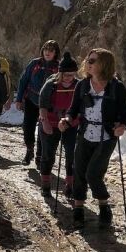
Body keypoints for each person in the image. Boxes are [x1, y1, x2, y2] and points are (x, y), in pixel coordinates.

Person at [59, 48, 126, 228]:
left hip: (106, 137)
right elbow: (73, 110)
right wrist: (66, 120)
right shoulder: (82, 85)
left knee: (93, 173)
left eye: (93, 60)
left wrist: (121, 127)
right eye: (88, 60)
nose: (88, 63)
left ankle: (104, 206)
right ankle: (78, 209)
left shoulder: (116, 87)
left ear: (104, 64)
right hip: (85, 134)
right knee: (78, 171)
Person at [38, 52, 80, 197]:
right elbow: (42, 105)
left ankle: (70, 184)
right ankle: (45, 184)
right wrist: (45, 123)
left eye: (72, 74)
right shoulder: (51, 84)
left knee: (71, 155)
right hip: (50, 121)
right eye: (66, 74)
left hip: (70, 124)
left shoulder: (78, 85)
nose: (69, 77)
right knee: (48, 154)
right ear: (60, 73)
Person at [15, 40, 60, 167]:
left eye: (51, 50)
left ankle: (40, 156)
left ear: (55, 53)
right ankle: (29, 150)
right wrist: (18, 99)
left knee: (43, 129)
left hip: (47, 104)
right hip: (31, 99)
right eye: (46, 49)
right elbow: (23, 81)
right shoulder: (35, 63)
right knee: (27, 127)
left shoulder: (58, 68)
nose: (47, 52)